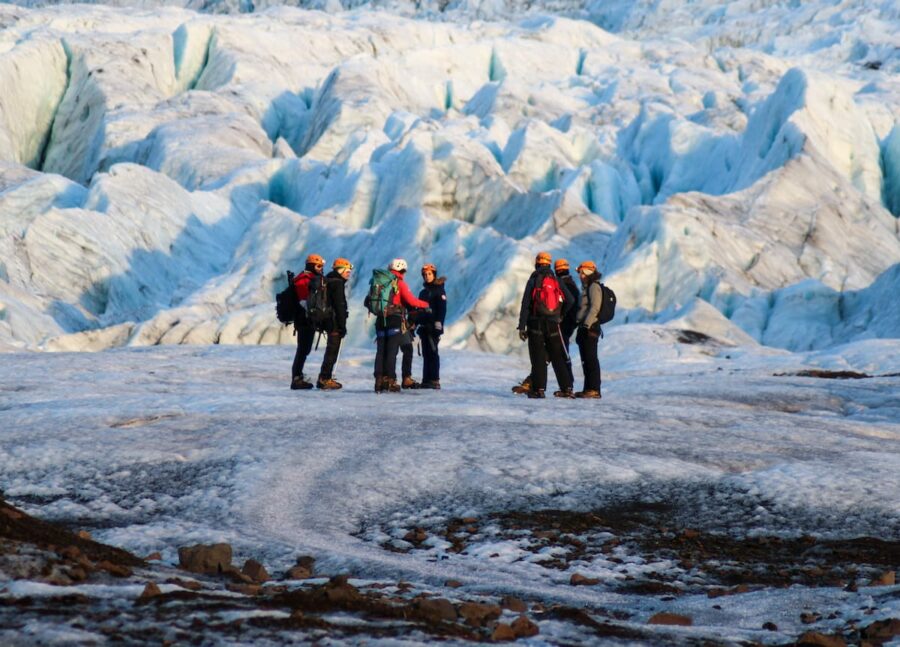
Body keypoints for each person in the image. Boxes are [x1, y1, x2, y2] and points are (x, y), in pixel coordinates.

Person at [516, 252, 575, 399]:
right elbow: (570, 300)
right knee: (557, 357)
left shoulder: (533, 280)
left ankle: (538, 389)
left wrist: (522, 326)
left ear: (537, 263)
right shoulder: (556, 280)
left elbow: (525, 305)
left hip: (535, 323)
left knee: (538, 357)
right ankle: (567, 388)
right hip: (553, 323)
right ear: (549, 264)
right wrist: (560, 315)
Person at [371, 258, 430, 393]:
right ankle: (390, 380)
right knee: (392, 351)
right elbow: (411, 300)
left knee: (381, 352)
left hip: (380, 320)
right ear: (402, 271)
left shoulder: (380, 281)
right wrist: (426, 305)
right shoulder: (399, 283)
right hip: (394, 320)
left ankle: (379, 380)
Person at [316, 257, 353, 390]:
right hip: (334, 322)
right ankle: (325, 378)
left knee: (330, 350)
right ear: (341, 270)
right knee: (332, 350)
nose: (348, 274)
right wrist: (342, 326)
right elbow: (340, 305)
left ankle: (324, 377)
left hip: (327, 320)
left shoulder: (327, 280)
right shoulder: (337, 283)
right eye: (347, 271)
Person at [290, 253, 325, 390]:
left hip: (305, 319)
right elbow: (304, 301)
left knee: (304, 349)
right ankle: (296, 378)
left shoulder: (308, 278)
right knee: (303, 349)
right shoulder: (304, 279)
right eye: (318, 265)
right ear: (311, 265)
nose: (321, 268)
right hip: (304, 319)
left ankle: (298, 376)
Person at [575, 260, 603, 398]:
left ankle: (594, 389)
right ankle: (588, 389)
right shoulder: (588, 286)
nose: (580, 276)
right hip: (585, 327)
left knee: (591, 359)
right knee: (586, 359)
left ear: (587, 272)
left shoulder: (593, 287)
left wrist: (586, 325)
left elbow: (595, 308)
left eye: (581, 273)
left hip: (590, 328)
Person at [416, 263, 447, 389]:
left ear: (434, 275)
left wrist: (438, 324)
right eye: (425, 274)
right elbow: (419, 310)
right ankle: (426, 379)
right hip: (424, 327)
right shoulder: (423, 292)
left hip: (433, 327)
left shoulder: (439, 290)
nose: (427, 276)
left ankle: (434, 379)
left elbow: (442, 309)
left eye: (429, 274)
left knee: (433, 352)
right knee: (426, 353)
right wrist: (415, 323)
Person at [555, 258, 580, 384]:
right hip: (571, 322)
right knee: (563, 350)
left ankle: (568, 382)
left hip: (563, 323)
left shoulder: (561, 284)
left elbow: (569, 302)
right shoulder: (572, 284)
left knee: (562, 351)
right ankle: (568, 382)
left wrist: (561, 315)